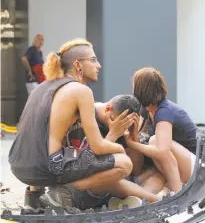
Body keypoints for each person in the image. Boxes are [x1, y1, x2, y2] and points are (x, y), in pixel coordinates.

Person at [9, 39, 159, 214]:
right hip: (48, 167)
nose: (99, 65)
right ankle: (61, 196)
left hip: (19, 166)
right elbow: (98, 147)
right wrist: (121, 146)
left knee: (65, 151)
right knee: (124, 163)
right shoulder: (81, 91)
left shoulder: (43, 87)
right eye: (93, 60)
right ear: (78, 65)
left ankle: (33, 199)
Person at [126, 67, 197, 193]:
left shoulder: (164, 111)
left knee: (154, 141)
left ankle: (177, 192)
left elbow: (162, 149)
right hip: (175, 165)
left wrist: (133, 144)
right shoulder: (147, 110)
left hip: (196, 167)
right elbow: (139, 137)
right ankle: (135, 201)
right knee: (147, 176)